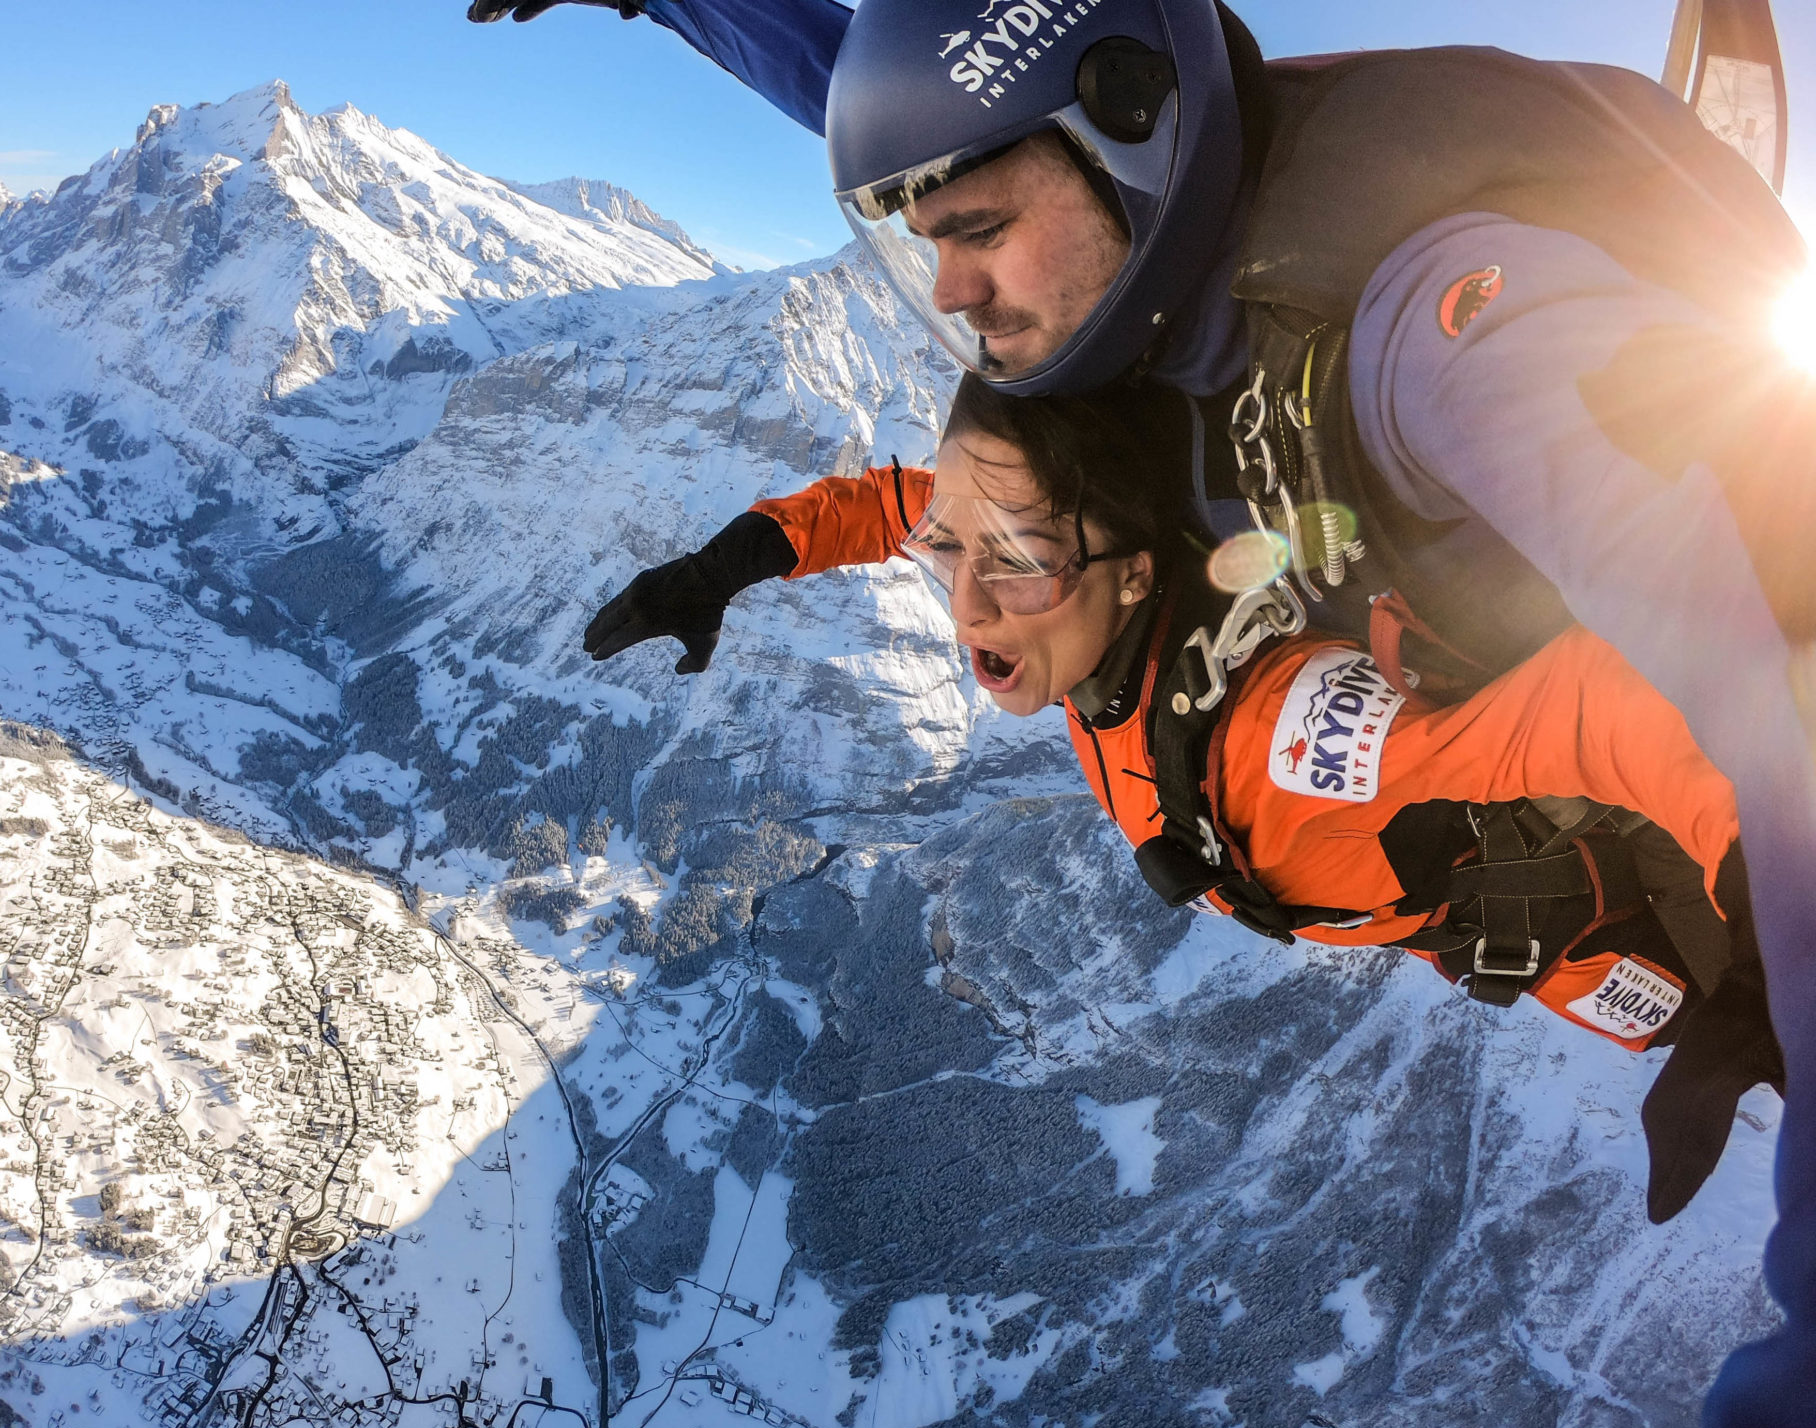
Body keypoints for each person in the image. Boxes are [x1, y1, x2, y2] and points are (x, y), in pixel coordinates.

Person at [500, 0, 1816, 1428]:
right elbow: (904, 243)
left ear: (1130, 128)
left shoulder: (1432, 353)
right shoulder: (1098, 333)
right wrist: (739, 555)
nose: (949, 285)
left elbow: (1733, 680)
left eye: (976, 226)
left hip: (1694, 903)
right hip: (1573, 930)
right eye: (923, 238)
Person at [585, 370, 1786, 1225]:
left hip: (1655, 926)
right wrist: (734, 560)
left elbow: (1619, 708)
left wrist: (1770, 956)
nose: (966, 606)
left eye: (1015, 559)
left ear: (1136, 571)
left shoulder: (1283, 732)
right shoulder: (1071, 599)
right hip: (1491, 925)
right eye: (958, 551)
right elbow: (895, 504)